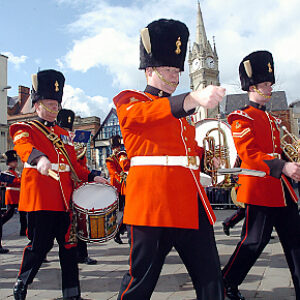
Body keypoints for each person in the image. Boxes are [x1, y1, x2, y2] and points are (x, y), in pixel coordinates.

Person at [114, 19, 226, 300]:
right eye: (168, 69)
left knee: (211, 277)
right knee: (140, 282)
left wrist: (210, 161)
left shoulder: (182, 116)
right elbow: (149, 115)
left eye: (178, 70)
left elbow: (185, 155)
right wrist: (192, 99)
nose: (175, 77)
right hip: (153, 205)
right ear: (150, 70)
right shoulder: (131, 102)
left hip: (189, 201)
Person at [10, 69, 107, 300]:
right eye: (49, 104)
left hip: (65, 201)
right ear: (36, 104)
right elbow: (23, 147)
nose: (54, 109)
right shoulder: (26, 129)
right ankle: (22, 282)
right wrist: (39, 159)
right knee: (39, 247)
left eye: (57, 104)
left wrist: (93, 176)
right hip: (42, 201)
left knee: (70, 248)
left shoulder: (64, 134)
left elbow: (75, 167)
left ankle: (72, 295)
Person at [222, 51, 300, 300]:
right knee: (254, 242)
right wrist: (283, 167)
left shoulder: (270, 117)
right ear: (252, 86)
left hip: (283, 191)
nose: (270, 88)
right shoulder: (240, 118)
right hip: (261, 191)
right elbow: (251, 153)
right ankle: (226, 283)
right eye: (266, 84)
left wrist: (293, 165)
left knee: (296, 243)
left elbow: (279, 150)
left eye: (270, 84)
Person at [57, 108, 97, 265]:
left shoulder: (75, 143)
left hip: (76, 188)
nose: (67, 131)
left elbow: (80, 166)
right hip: (61, 188)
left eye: (69, 128)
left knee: (79, 223)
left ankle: (81, 254)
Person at [0, 150, 27, 253]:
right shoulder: (7, 173)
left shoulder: (17, 173)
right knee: (9, 213)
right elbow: (14, 182)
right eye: (13, 162)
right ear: (8, 163)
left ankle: (23, 230)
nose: (15, 163)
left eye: (15, 161)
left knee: (23, 213)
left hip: (18, 195)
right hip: (11, 195)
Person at [106, 135, 130, 244]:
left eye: (118, 146)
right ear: (112, 148)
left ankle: (120, 230)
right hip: (117, 186)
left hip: (125, 186)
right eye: (115, 147)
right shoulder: (110, 159)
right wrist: (123, 177)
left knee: (127, 211)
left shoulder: (123, 155)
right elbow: (113, 172)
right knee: (123, 212)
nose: (117, 149)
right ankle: (117, 230)